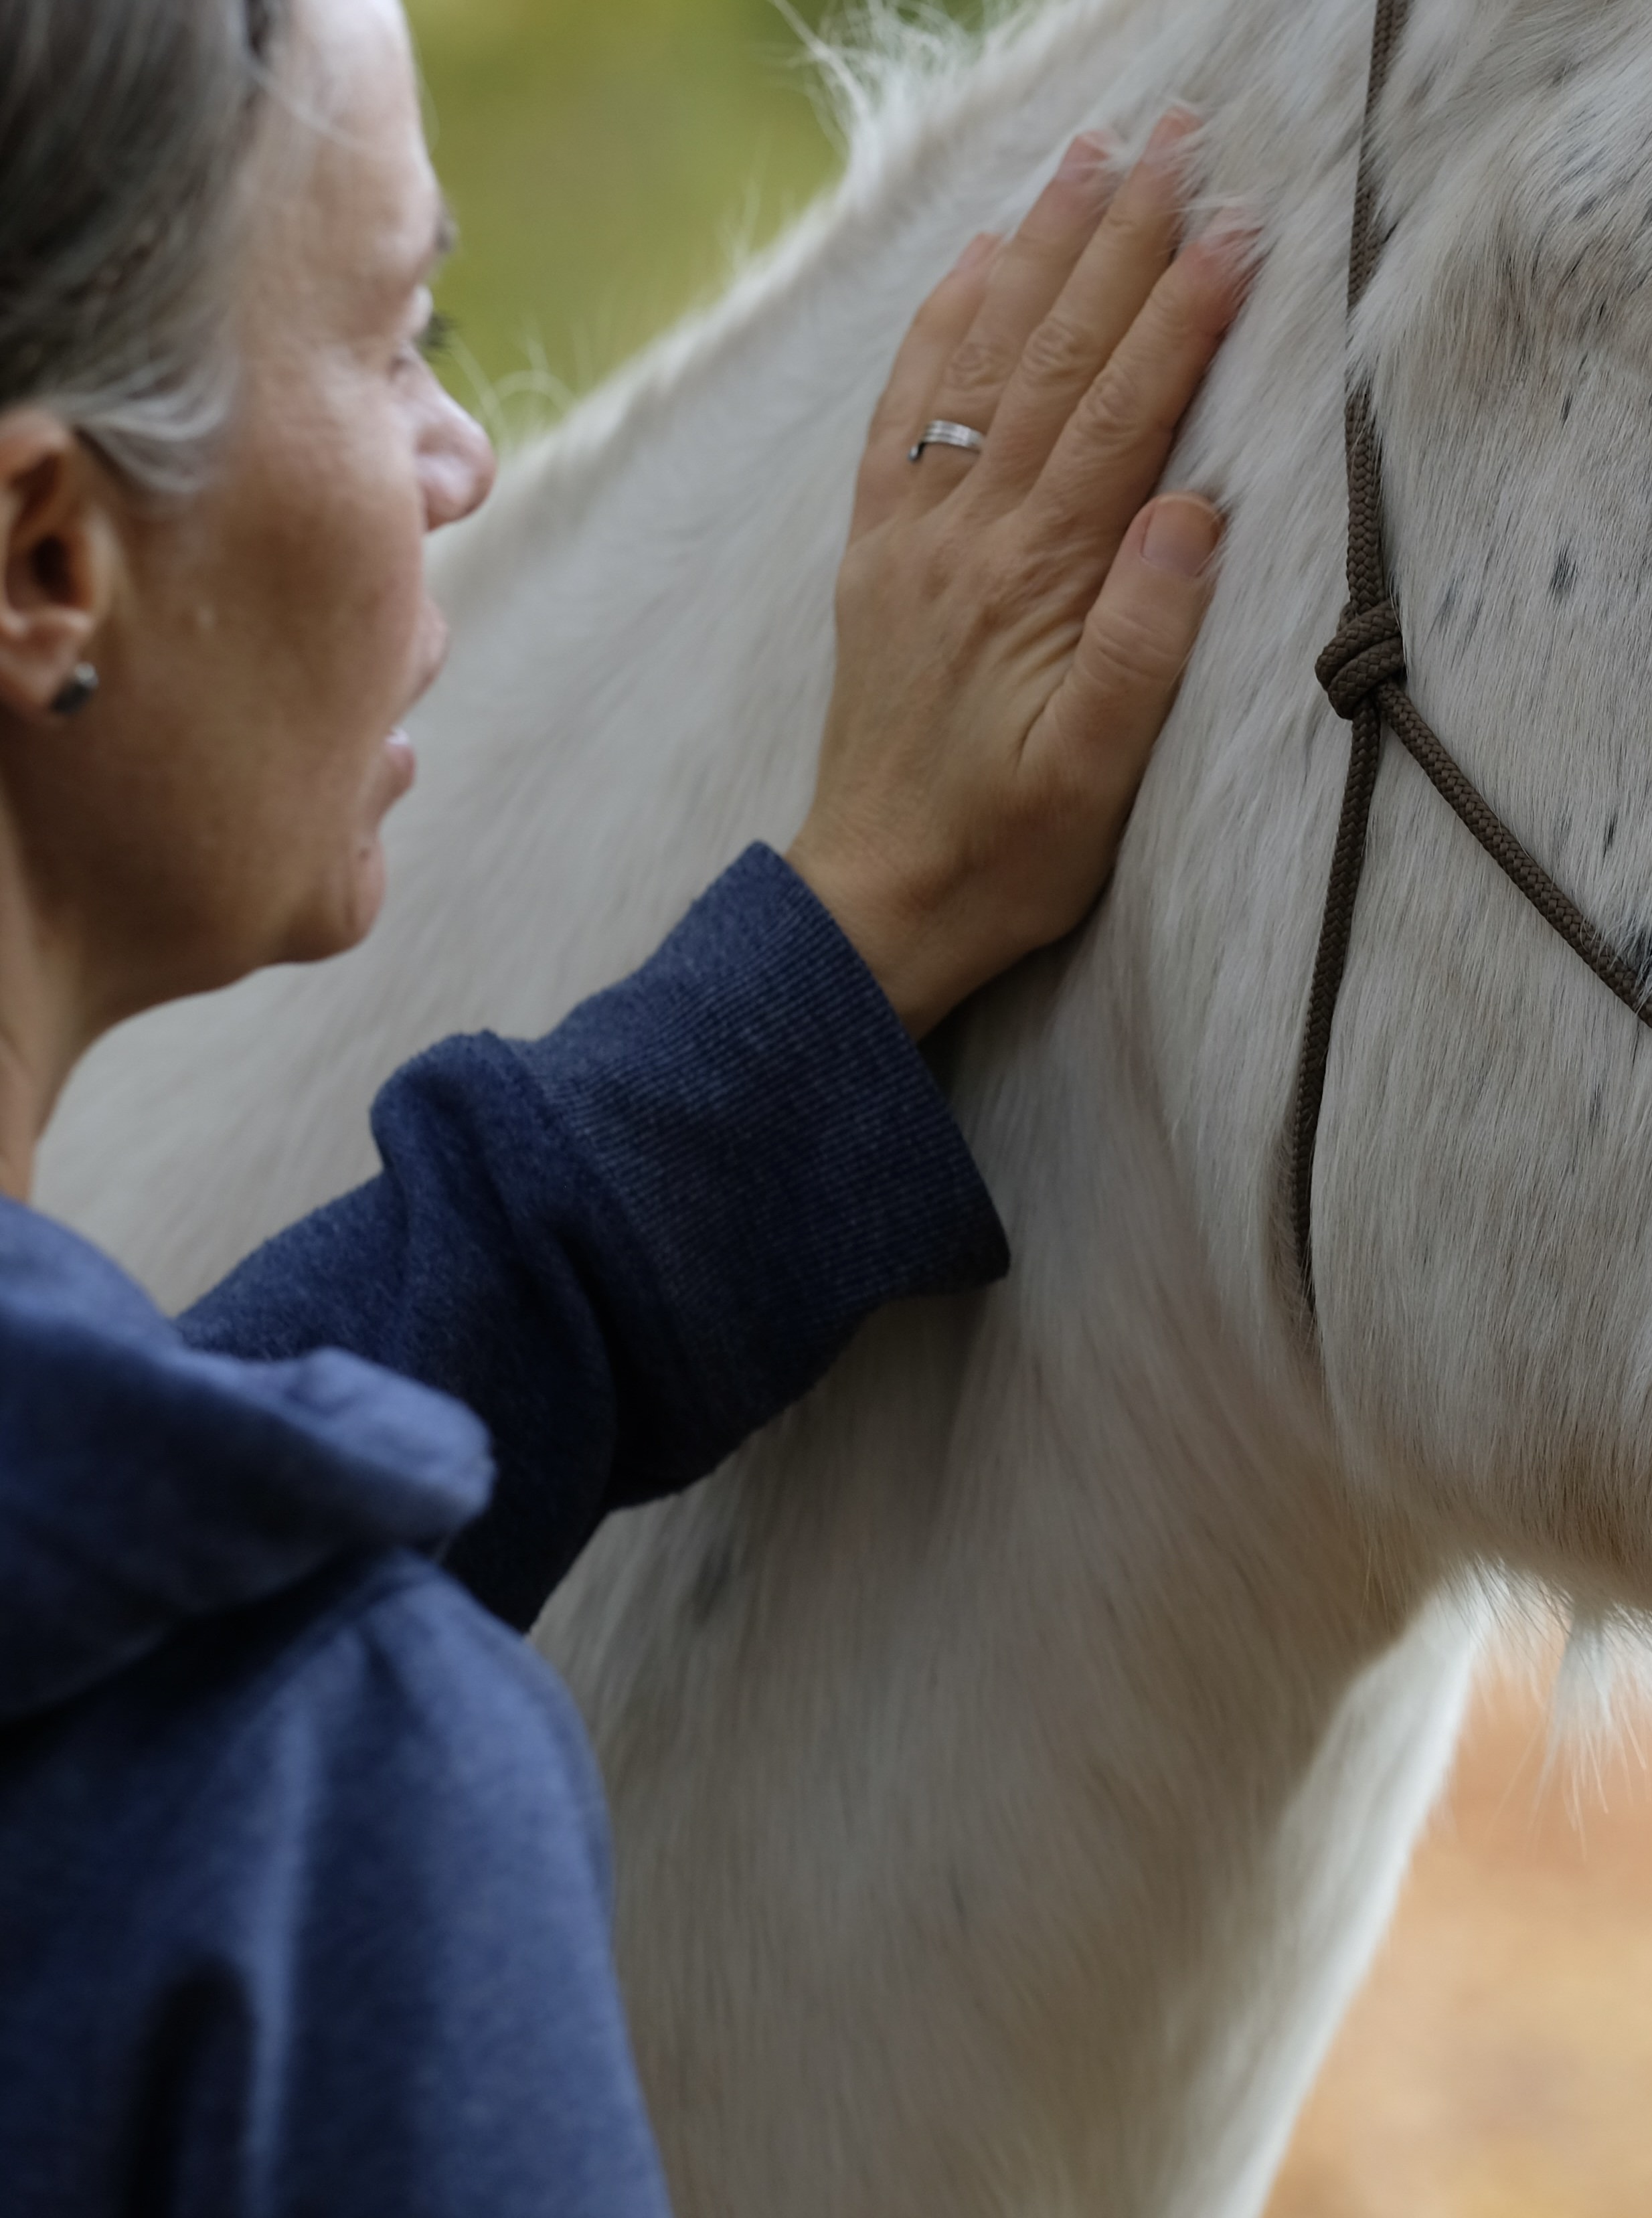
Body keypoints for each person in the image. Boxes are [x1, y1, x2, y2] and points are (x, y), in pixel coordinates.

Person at [0, 0, 1248, 2207]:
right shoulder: (338, 1829)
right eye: (400, 332)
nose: (457, 452)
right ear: (43, 565)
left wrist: (819, 983)